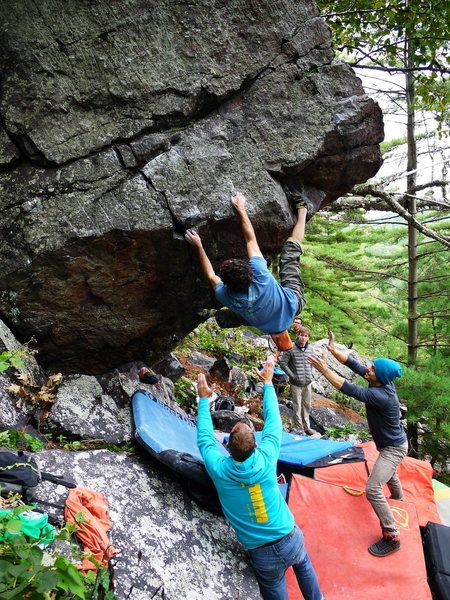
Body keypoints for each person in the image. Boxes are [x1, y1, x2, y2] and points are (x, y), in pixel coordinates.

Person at [197, 356, 324, 600]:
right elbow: (273, 421)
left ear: (227, 447)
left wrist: (204, 400)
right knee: (304, 565)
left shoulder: (219, 469)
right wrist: (267, 383)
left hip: (262, 553)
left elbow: (204, 439)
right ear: (255, 444)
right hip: (289, 536)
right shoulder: (266, 457)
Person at [308, 331, 408, 558]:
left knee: (373, 489)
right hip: (390, 444)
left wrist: (323, 369)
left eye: (372, 368)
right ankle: (399, 500)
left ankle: (392, 536)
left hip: (394, 448)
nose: (368, 369)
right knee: (389, 473)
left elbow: (349, 389)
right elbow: (354, 364)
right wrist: (334, 351)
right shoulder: (380, 379)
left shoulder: (381, 396)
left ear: (380, 378)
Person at [185, 191, 321, 351]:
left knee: (231, 318)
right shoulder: (257, 275)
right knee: (290, 252)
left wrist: (200, 246)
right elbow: (249, 240)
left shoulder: (228, 293)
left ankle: (275, 330)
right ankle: (302, 211)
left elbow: (210, 275)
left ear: (227, 285)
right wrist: (240, 208)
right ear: (250, 274)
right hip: (293, 301)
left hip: (277, 315)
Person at [278, 326, 320, 437]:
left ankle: (307, 427)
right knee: (297, 406)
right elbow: (282, 363)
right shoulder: (290, 347)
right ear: (298, 335)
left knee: (307, 405)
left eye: (306, 336)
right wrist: (292, 376)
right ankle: (299, 427)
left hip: (307, 383)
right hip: (296, 383)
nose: (303, 338)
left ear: (308, 338)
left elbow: (313, 363)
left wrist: (312, 375)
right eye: (302, 335)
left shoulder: (310, 349)